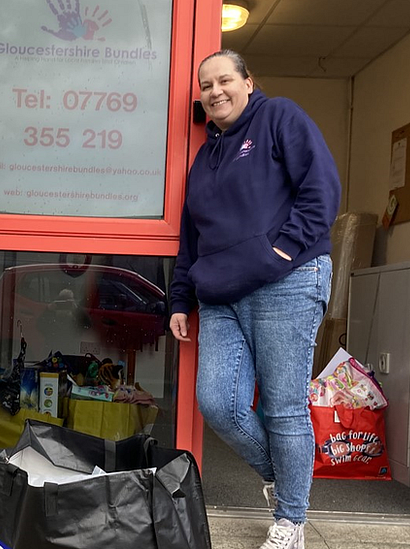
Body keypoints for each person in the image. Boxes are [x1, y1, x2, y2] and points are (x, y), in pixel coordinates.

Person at [169, 50, 339, 549]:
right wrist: (181, 298)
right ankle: (289, 479)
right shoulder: (205, 156)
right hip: (221, 293)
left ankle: (291, 520)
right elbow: (191, 236)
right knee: (218, 402)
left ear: (248, 82)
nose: (215, 91)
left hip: (286, 282)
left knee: (284, 408)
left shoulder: (279, 116)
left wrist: (279, 250)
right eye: (206, 85)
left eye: (225, 80)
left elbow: (321, 189)